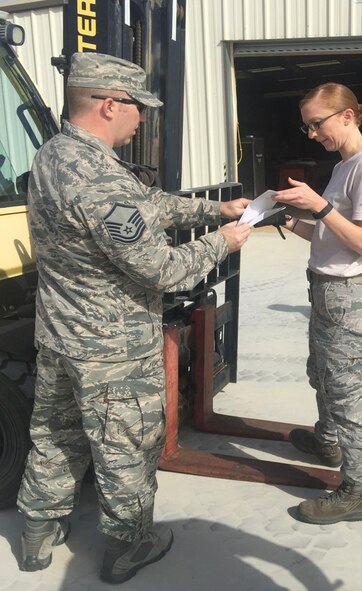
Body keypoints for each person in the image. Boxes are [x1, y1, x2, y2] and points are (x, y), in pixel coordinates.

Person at [17, 52, 251, 583]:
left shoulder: (53, 156)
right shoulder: (100, 178)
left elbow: (147, 204)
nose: (142, 119)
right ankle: (128, 545)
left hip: (59, 336)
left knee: (55, 432)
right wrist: (224, 241)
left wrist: (214, 210)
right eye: (137, 108)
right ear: (108, 105)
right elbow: (162, 270)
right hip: (113, 351)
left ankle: (38, 532)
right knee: (126, 447)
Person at [273, 83, 362, 525]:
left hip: (347, 297)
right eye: (307, 126)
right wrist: (291, 219)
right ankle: (328, 439)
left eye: (316, 123)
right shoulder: (345, 166)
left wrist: (319, 206)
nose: (311, 134)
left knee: (346, 394)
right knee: (321, 373)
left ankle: (356, 489)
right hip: (326, 289)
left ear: (346, 116)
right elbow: (334, 236)